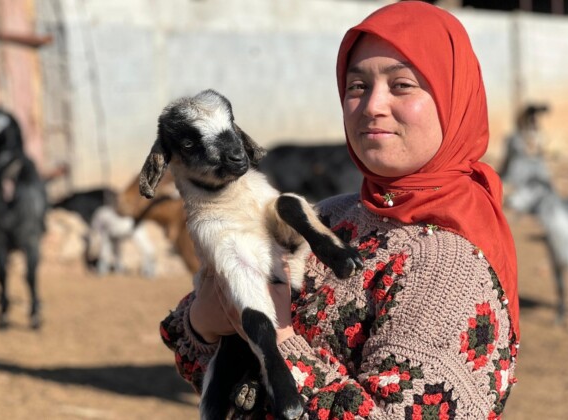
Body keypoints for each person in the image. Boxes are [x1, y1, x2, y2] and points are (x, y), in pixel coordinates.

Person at [159, 1, 520, 418]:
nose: (372, 106)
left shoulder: (451, 266)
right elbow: (195, 346)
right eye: (357, 86)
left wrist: (277, 341)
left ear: (453, 96)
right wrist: (203, 324)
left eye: (401, 85)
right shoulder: (331, 217)